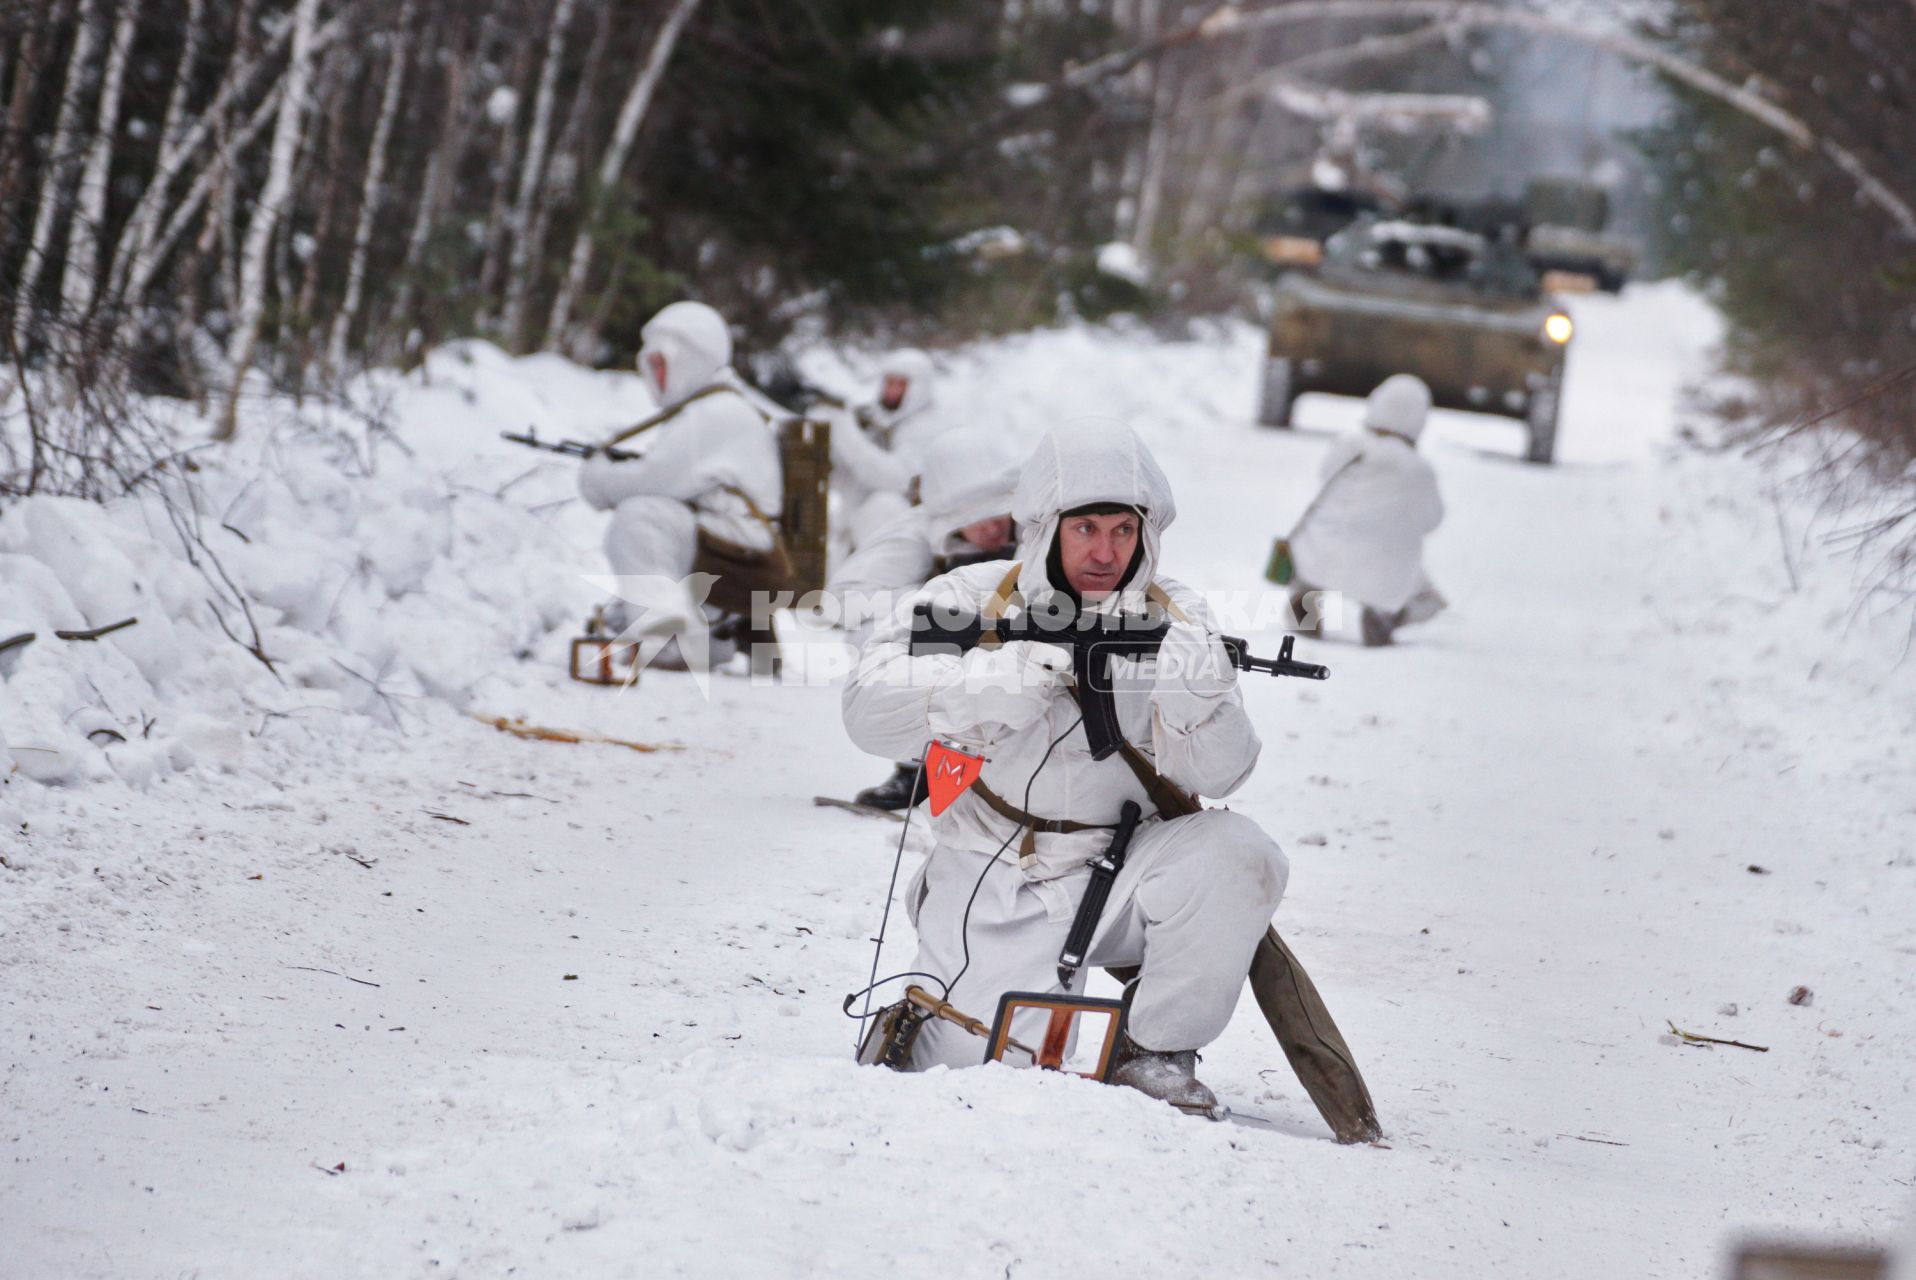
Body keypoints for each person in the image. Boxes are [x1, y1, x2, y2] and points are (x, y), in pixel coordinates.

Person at [842, 419, 1289, 1116]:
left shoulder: (1175, 615)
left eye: (1123, 530)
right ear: (1048, 526)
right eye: (1086, 529)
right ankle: (930, 1018)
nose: (1106, 552)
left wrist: (1204, 699)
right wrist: (995, 682)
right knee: (975, 1084)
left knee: (1241, 854)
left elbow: (1226, 776)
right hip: (992, 869)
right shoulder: (973, 597)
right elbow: (866, 714)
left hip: (1117, 870)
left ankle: (1157, 1051)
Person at [829, 427, 1022, 810]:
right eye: (978, 517)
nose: (995, 527)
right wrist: (937, 606)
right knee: (878, 637)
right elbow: (845, 599)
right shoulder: (916, 531)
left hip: (1026, 648)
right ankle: (917, 766)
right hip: (951, 648)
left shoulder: (1040, 528)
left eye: (999, 512)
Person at [577, 301, 782, 660]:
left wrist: (597, 476)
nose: (656, 376)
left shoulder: (713, 414)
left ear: (691, 358)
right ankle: (707, 636)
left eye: (662, 364)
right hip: (737, 546)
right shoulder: (719, 407)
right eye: (651, 365)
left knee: (639, 518)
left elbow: (649, 482)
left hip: (740, 556)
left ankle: (670, 641)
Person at [1286, 373, 1446, 647]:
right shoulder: (1421, 470)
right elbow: (1432, 519)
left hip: (1324, 558)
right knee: (1426, 597)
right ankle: (1384, 617)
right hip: (1385, 574)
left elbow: (1325, 475)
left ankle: (1306, 612)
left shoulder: (1350, 446)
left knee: (1311, 566)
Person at [829, 348, 944, 552]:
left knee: (884, 505)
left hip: (898, 527)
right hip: (851, 531)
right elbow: (843, 478)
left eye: (900, 384)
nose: (891, 391)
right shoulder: (876, 420)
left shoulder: (926, 427)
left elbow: (897, 479)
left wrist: (845, 432)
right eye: (889, 382)